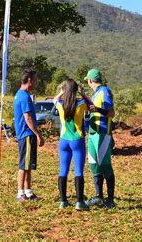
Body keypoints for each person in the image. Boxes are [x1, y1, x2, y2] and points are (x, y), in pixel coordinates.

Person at [53, 78, 89, 210]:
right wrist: (83, 93)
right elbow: (91, 104)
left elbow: (54, 100)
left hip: (63, 140)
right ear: (75, 91)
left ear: (65, 90)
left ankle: (63, 201)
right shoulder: (81, 104)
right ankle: (80, 202)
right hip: (77, 140)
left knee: (63, 170)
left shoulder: (60, 104)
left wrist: (62, 93)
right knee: (78, 171)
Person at [84, 68, 116, 208]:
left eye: (88, 81)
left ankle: (110, 200)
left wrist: (97, 110)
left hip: (103, 133)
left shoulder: (104, 91)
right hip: (93, 132)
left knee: (105, 165)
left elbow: (111, 113)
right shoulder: (96, 93)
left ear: (90, 80)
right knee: (93, 164)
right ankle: (98, 196)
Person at [13, 69, 44, 202]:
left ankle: (28, 192)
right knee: (23, 165)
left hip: (26, 134)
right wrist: (38, 134)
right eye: (36, 80)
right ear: (30, 80)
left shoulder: (21, 94)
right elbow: (28, 118)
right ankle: (20, 194)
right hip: (27, 134)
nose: (37, 82)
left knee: (28, 165)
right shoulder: (24, 97)